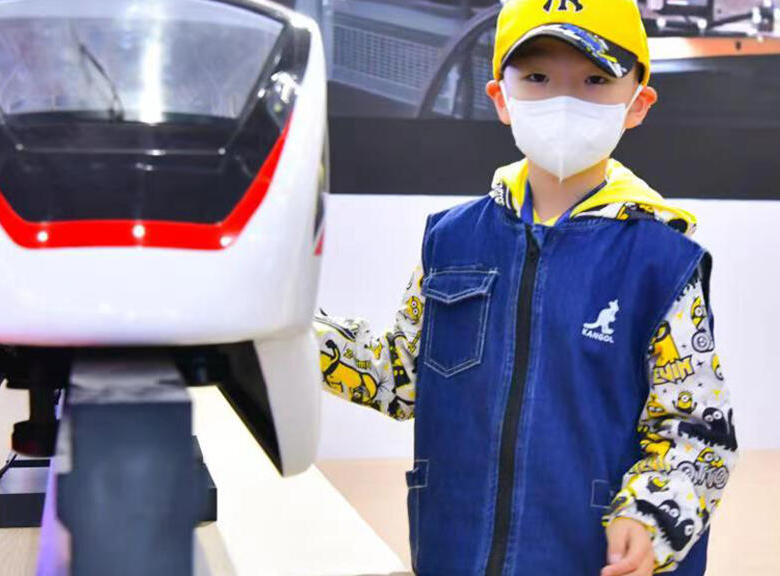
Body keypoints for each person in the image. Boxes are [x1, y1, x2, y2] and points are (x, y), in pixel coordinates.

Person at [314, 1, 737, 574]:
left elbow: (699, 429)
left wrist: (651, 517)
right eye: (537, 77)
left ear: (637, 104)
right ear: (500, 98)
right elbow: (403, 377)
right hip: (457, 551)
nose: (563, 100)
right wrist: (294, 335)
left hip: (588, 559)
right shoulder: (451, 240)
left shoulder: (663, 262)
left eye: (594, 80)